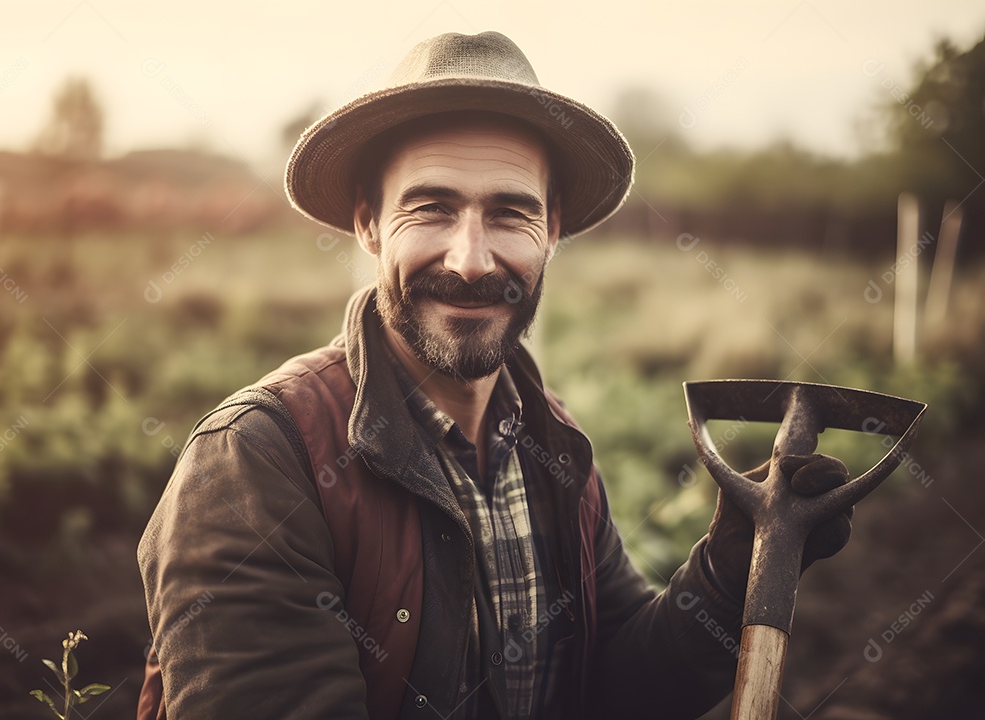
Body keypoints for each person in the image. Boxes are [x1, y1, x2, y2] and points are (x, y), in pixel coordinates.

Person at [136, 31, 852, 720]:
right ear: (368, 222)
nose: (472, 259)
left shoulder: (553, 446)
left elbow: (620, 684)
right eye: (431, 208)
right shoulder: (257, 462)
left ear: (553, 230)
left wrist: (730, 572)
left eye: (510, 213)